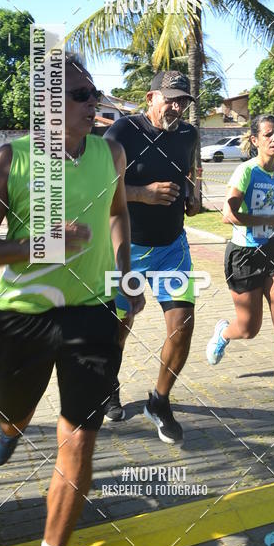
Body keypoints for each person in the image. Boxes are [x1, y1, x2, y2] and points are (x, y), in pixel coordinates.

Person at [0, 54, 140, 546]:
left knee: (80, 436)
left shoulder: (110, 152)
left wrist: (126, 276)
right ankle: (9, 426)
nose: (95, 103)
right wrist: (43, 245)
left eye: (94, 92)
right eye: (82, 94)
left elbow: (117, 213)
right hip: (24, 317)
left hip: (90, 313)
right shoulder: (7, 161)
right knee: (14, 408)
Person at [104, 70, 199, 443]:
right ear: (150, 98)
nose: (176, 107)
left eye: (183, 101)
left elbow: (185, 174)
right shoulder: (123, 132)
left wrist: (191, 197)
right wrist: (142, 193)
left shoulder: (189, 135)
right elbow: (99, 185)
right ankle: (109, 385)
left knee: (183, 324)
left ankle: (159, 401)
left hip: (172, 247)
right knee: (119, 324)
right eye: (170, 98)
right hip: (127, 246)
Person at [206, 114, 274, 414]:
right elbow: (228, 215)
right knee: (249, 327)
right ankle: (224, 333)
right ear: (255, 140)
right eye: (267, 135)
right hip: (245, 252)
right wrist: (266, 220)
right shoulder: (245, 172)